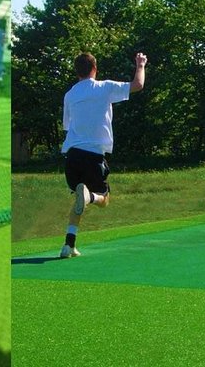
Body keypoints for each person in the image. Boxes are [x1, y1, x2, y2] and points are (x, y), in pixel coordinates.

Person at [59, 51, 147, 258]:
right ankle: (90, 197)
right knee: (103, 199)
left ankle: (68, 245)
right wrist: (140, 64)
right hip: (93, 156)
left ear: (76, 71)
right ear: (95, 69)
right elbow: (138, 85)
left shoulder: (70, 95)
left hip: (72, 157)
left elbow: (67, 126)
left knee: (79, 199)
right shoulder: (104, 87)